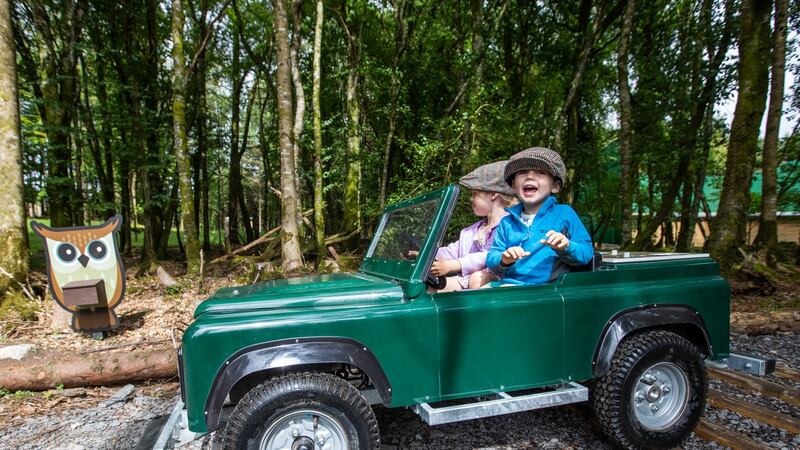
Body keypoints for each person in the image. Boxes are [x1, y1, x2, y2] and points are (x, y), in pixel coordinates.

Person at [486, 147, 593, 285]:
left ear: (555, 186)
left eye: (541, 172)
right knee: (474, 299)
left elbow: (586, 253)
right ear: (513, 185)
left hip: (547, 291)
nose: (529, 176)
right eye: (522, 172)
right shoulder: (507, 222)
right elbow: (491, 258)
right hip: (509, 286)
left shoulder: (564, 214)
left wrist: (567, 245)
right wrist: (503, 258)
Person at [431, 160, 518, 291]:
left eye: (475, 194)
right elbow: (453, 250)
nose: (471, 199)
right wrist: (427, 255)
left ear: (494, 193)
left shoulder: (510, 226)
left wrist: (454, 265)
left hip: (498, 282)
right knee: (429, 288)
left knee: (477, 279)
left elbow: (487, 256)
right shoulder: (473, 230)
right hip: (464, 280)